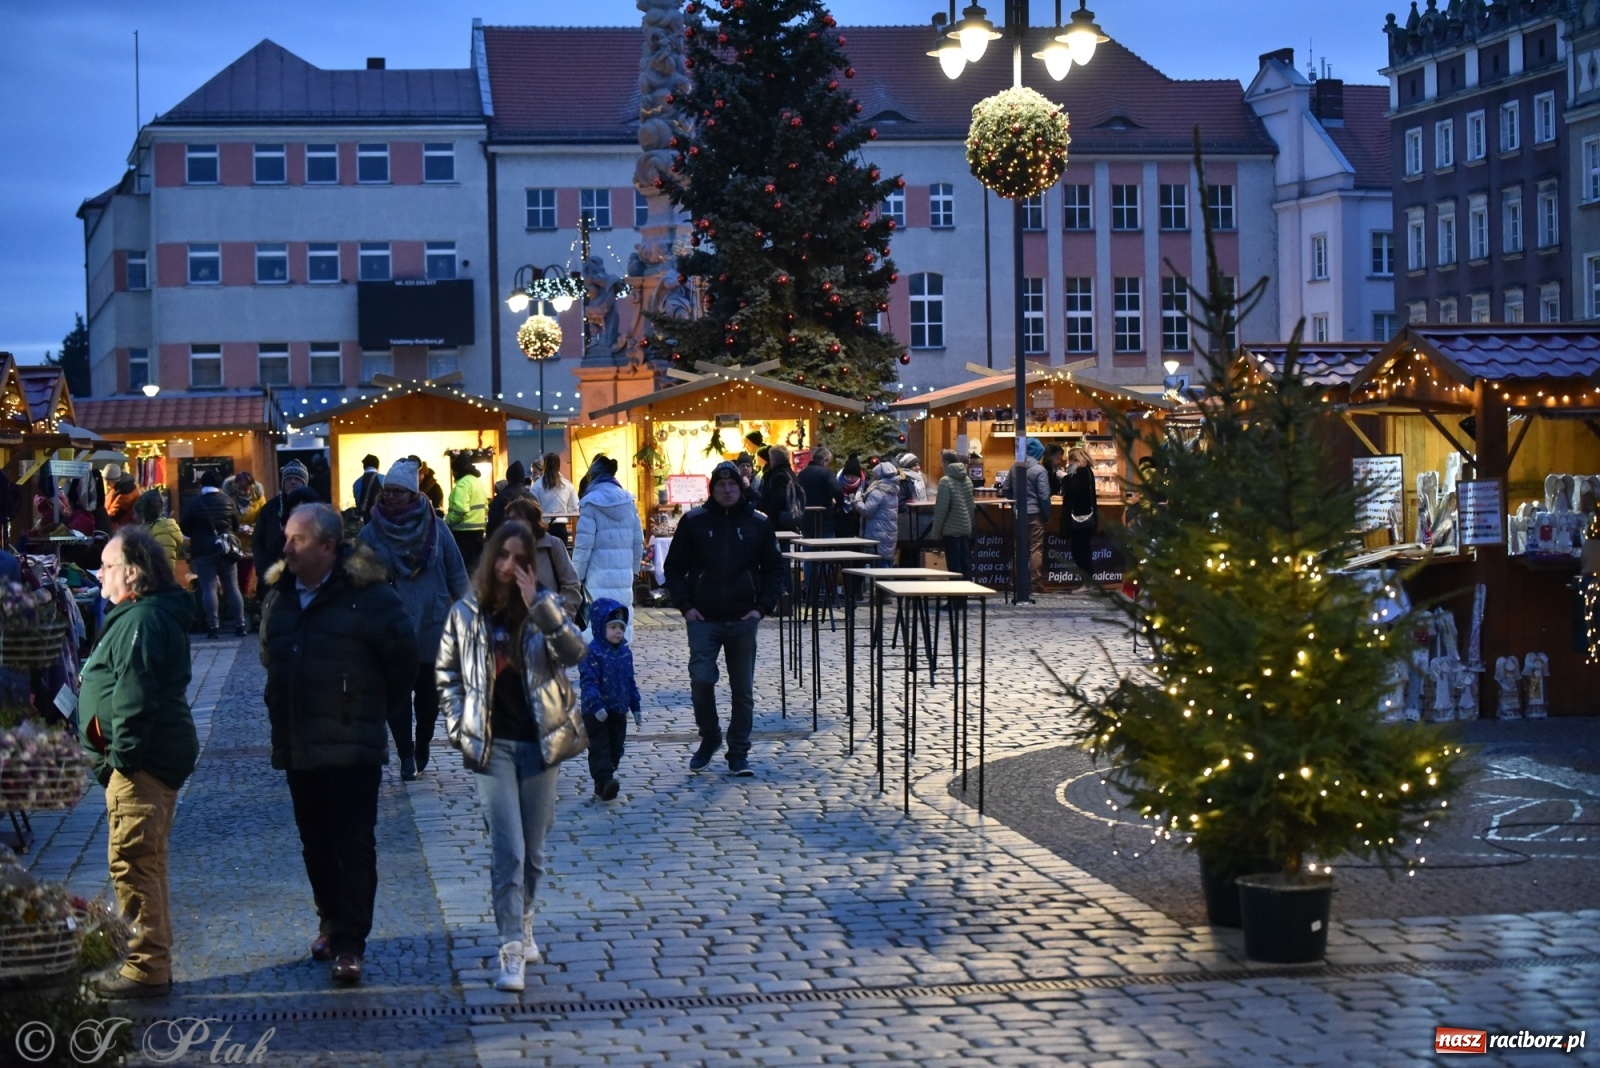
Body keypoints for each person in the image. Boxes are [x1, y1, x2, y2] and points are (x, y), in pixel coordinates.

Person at [260, 503, 417, 986]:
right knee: (315, 843)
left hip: (352, 745)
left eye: (297, 540)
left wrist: (365, 708)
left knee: (353, 843)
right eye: (286, 538)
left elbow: (403, 664)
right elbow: (271, 655)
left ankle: (351, 943)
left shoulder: (369, 597)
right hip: (299, 739)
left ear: (328, 547)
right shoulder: (281, 595)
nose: (285, 548)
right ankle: (329, 920)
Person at [436, 520, 590, 993]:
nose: (508, 567)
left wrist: (540, 607)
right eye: (501, 557)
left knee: (535, 850)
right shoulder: (467, 612)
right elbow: (447, 675)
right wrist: (462, 730)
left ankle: (525, 919)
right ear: (490, 558)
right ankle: (510, 950)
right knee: (509, 850)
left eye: (519, 561)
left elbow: (575, 652)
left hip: (542, 743)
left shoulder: (544, 605)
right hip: (493, 747)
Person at [78, 526, 199, 999]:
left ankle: (146, 966)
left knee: (132, 861)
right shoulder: (137, 615)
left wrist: (120, 762)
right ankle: (153, 959)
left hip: (141, 763)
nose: (100, 574)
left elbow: (133, 696)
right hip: (144, 760)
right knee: (146, 859)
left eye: (107, 566)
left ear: (132, 572)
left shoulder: (141, 621)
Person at [663, 461, 785, 777]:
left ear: (740, 487)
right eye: (721, 485)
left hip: (744, 618)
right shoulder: (694, 522)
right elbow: (674, 567)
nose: (727, 490)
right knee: (701, 680)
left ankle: (738, 752)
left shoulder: (758, 523)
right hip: (703, 618)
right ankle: (710, 737)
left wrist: (762, 607)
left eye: (732, 485)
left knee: (742, 690)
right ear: (712, 489)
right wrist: (685, 605)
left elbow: (775, 569)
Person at [358, 460, 470, 781]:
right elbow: (357, 578)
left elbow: (456, 572)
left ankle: (422, 742)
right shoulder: (371, 531)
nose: (390, 497)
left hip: (432, 623)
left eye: (397, 492)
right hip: (390, 626)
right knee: (396, 694)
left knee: (428, 696)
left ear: (412, 494)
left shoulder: (437, 527)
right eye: (387, 491)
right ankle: (406, 755)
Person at [572, 455, 644, 643]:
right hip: (623, 576)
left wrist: (576, 577)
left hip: (597, 577)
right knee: (620, 621)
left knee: (597, 622)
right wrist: (635, 570)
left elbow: (583, 547)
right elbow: (638, 541)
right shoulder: (628, 502)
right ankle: (619, 661)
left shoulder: (590, 503)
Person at [578, 599, 641, 802]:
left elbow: (630, 681)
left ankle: (604, 779)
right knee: (600, 747)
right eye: (612, 627)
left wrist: (635, 705)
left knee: (616, 747)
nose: (617, 632)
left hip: (618, 710)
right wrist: (595, 705)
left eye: (620, 628)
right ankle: (604, 780)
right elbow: (588, 681)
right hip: (596, 712)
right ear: (600, 627)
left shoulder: (625, 653)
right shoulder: (592, 652)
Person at [180, 468, 245, 638]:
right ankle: (240, 624)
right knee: (232, 587)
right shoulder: (228, 500)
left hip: (202, 549)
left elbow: (185, 527)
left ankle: (214, 626)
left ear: (202, 484)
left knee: (208, 587)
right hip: (225, 548)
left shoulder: (194, 502)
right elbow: (236, 524)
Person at [503, 497, 582, 617]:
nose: (511, 525)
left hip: (548, 621)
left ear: (531, 522)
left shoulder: (552, 545)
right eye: (508, 520)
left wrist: (563, 617)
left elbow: (571, 584)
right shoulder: (504, 551)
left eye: (516, 519)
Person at [254, 460, 312, 576]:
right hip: (273, 567)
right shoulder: (270, 508)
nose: (293, 482)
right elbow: (258, 539)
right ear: (283, 482)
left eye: (297, 479)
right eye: (289, 479)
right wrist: (261, 566)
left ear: (304, 483)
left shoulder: (313, 507)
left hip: (305, 568)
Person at [930, 449, 976, 580]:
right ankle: (964, 596)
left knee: (954, 567)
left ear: (946, 462)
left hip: (951, 530)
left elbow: (941, 510)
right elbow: (971, 506)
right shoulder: (967, 479)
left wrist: (935, 533)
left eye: (941, 462)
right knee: (965, 563)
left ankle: (955, 598)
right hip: (965, 528)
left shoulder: (946, 481)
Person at [1060, 445, 1099, 589]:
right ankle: (1087, 582)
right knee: (1080, 549)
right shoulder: (1085, 472)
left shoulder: (1082, 472)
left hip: (1081, 518)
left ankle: (1088, 583)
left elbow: (1075, 489)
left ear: (1077, 460)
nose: (1068, 463)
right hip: (1082, 518)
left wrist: (1065, 478)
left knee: (1081, 550)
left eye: (1070, 460)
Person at [1020, 437, 1053, 600]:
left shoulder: (1015, 467)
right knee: (1035, 549)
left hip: (1018, 513)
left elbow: (1006, 489)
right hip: (1035, 513)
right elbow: (1044, 495)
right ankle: (1035, 584)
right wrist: (1047, 514)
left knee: (1018, 547)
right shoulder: (1039, 471)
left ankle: (1016, 582)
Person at [224, 470, 265, 597]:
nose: (242, 492)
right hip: (232, 544)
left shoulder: (259, 499)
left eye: (245, 488)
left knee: (245, 578)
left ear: (252, 486)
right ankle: (230, 607)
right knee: (231, 579)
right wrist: (237, 528)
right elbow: (224, 519)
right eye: (239, 488)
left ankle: (244, 605)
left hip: (249, 545)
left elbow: (263, 519)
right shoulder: (228, 497)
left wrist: (253, 528)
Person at [446, 454, 490, 569]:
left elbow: (460, 509)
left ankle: (466, 587)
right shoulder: (477, 482)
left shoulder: (462, 484)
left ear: (457, 470)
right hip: (479, 531)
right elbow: (485, 505)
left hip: (463, 533)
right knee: (476, 566)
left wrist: (448, 522)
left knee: (464, 567)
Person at [855, 462, 903, 565]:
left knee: (875, 566)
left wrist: (857, 501)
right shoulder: (893, 490)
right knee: (886, 564)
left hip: (876, 533)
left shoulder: (878, 491)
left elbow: (867, 511)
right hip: (888, 533)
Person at [531, 453, 580, 545]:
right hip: (561, 528)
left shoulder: (537, 486)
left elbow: (532, 507)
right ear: (559, 465)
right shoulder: (567, 485)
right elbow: (575, 508)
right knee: (561, 558)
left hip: (544, 529)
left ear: (545, 465)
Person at [757, 443, 805, 533]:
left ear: (773, 460)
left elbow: (777, 499)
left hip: (778, 522)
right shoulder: (790, 473)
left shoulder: (778, 476)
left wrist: (768, 515)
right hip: (788, 519)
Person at [796, 446, 842, 539]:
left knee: (808, 547)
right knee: (827, 548)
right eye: (828, 462)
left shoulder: (802, 473)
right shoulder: (826, 473)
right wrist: (838, 506)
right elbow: (837, 490)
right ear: (824, 461)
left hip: (806, 517)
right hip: (824, 517)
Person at [136, 490, 185, 565]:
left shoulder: (163, 532)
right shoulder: (156, 529)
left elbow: (166, 566)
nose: (134, 516)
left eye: (136, 513)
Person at [487, 460, 533, 538]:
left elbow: (493, 523)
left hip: (506, 539)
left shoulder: (501, 498)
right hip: (528, 540)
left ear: (508, 478)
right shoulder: (532, 498)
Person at [835, 453, 864, 538]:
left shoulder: (864, 485)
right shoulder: (837, 484)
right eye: (847, 476)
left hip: (857, 519)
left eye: (853, 476)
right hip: (841, 517)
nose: (850, 479)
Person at [351, 454, 384, 518]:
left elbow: (357, 503)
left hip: (364, 521)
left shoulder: (357, 483)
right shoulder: (384, 479)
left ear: (364, 466)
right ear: (377, 466)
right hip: (381, 519)